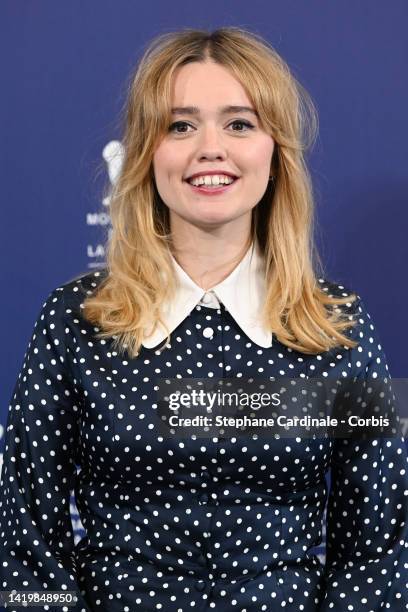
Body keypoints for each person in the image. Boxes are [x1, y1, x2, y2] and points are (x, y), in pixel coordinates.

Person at [1, 27, 407, 612]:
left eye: (239, 124)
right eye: (181, 125)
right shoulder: (74, 320)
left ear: (275, 152)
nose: (209, 149)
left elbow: (379, 548)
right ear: (146, 152)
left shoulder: (338, 327)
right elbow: (26, 544)